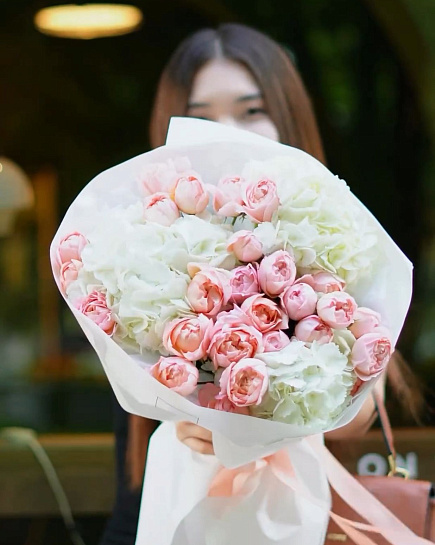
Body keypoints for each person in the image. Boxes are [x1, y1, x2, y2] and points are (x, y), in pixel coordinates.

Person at [100, 22, 422, 545]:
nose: (227, 129)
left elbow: (356, 412)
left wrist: (255, 419)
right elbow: (129, 502)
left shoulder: (336, 245)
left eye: (252, 110)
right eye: (200, 117)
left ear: (288, 116)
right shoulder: (142, 270)